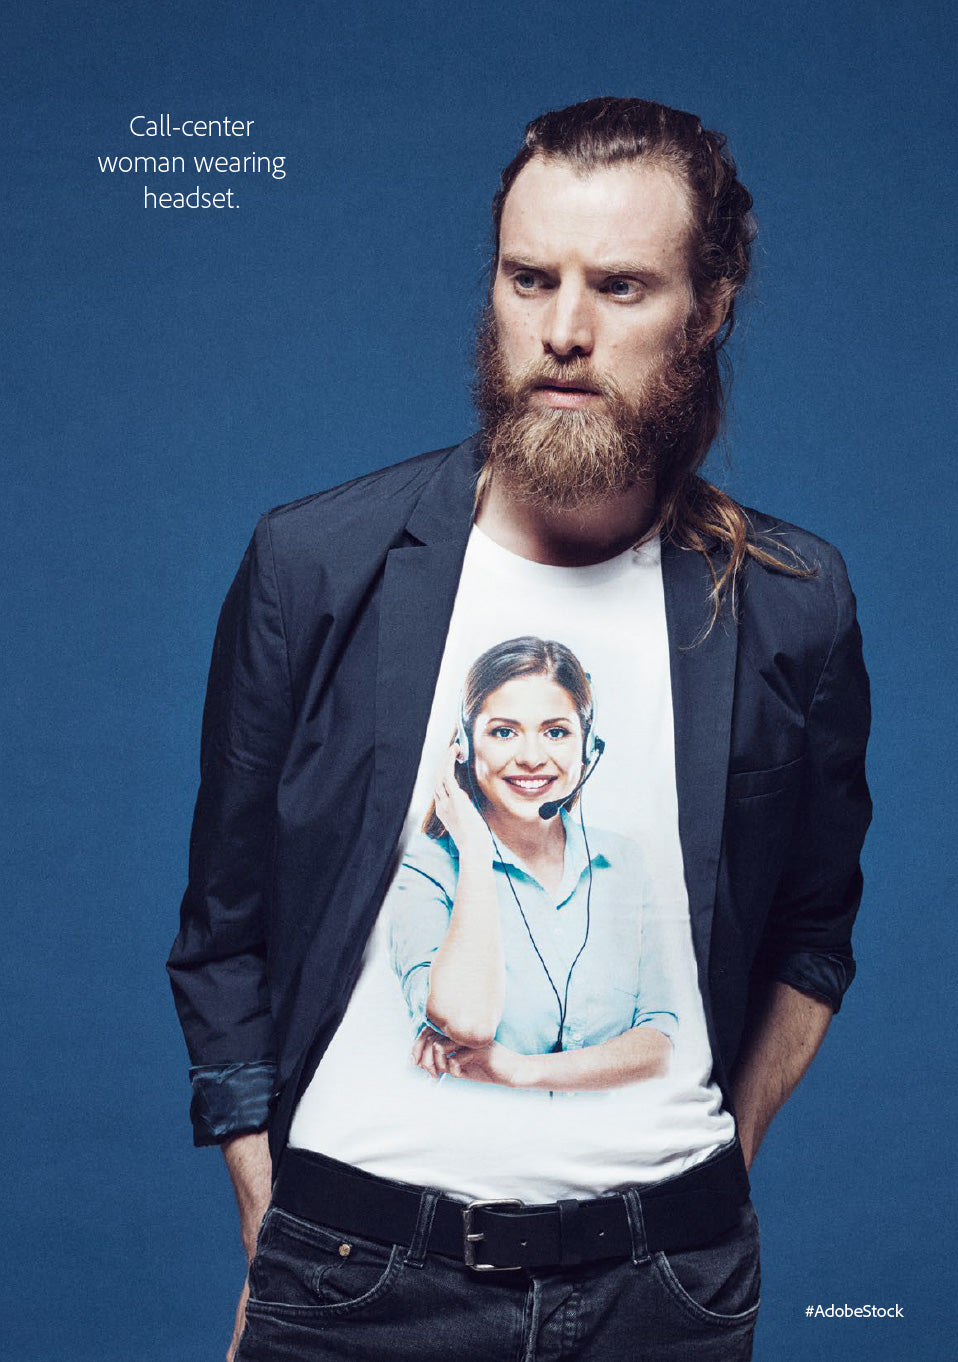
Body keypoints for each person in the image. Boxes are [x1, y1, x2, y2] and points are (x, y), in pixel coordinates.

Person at [168, 95, 871, 1362]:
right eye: (527, 277)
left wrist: (721, 1153)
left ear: (709, 309)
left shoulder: (786, 602)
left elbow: (815, 934)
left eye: (620, 286)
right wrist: (277, 1214)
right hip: (351, 1281)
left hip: (667, 1295)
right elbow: (222, 935)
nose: (562, 332)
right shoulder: (316, 565)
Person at [387, 635, 679, 1090]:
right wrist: (477, 853)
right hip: (472, 1152)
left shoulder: (624, 863)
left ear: (587, 747)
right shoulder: (424, 867)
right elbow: (469, 1022)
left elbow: (660, 1044)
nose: (531, 757)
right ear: (463, 745)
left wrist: (523, 1071)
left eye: (556, 732)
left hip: (602, 1150)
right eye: (504, 731)